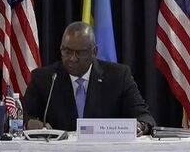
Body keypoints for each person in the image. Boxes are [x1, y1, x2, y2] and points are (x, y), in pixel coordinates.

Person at [23, 21, 156, 135]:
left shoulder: (118, 76)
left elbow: (144, 117)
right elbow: (22, 116)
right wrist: (30, 123)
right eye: (67, 51)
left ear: (94, 52)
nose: (72, 58)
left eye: (79, 53)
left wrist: (140, 126)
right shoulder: (45, 78)